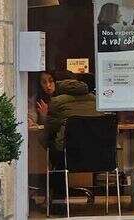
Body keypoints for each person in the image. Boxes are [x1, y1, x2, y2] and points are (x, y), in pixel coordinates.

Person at [41, 72, 105, 211]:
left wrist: (45, 143)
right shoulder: (96, 101)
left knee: (55, 155)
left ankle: (58, 202)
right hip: (99, 157)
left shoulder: (57, 102)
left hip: (69, 158)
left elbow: (48, 132)